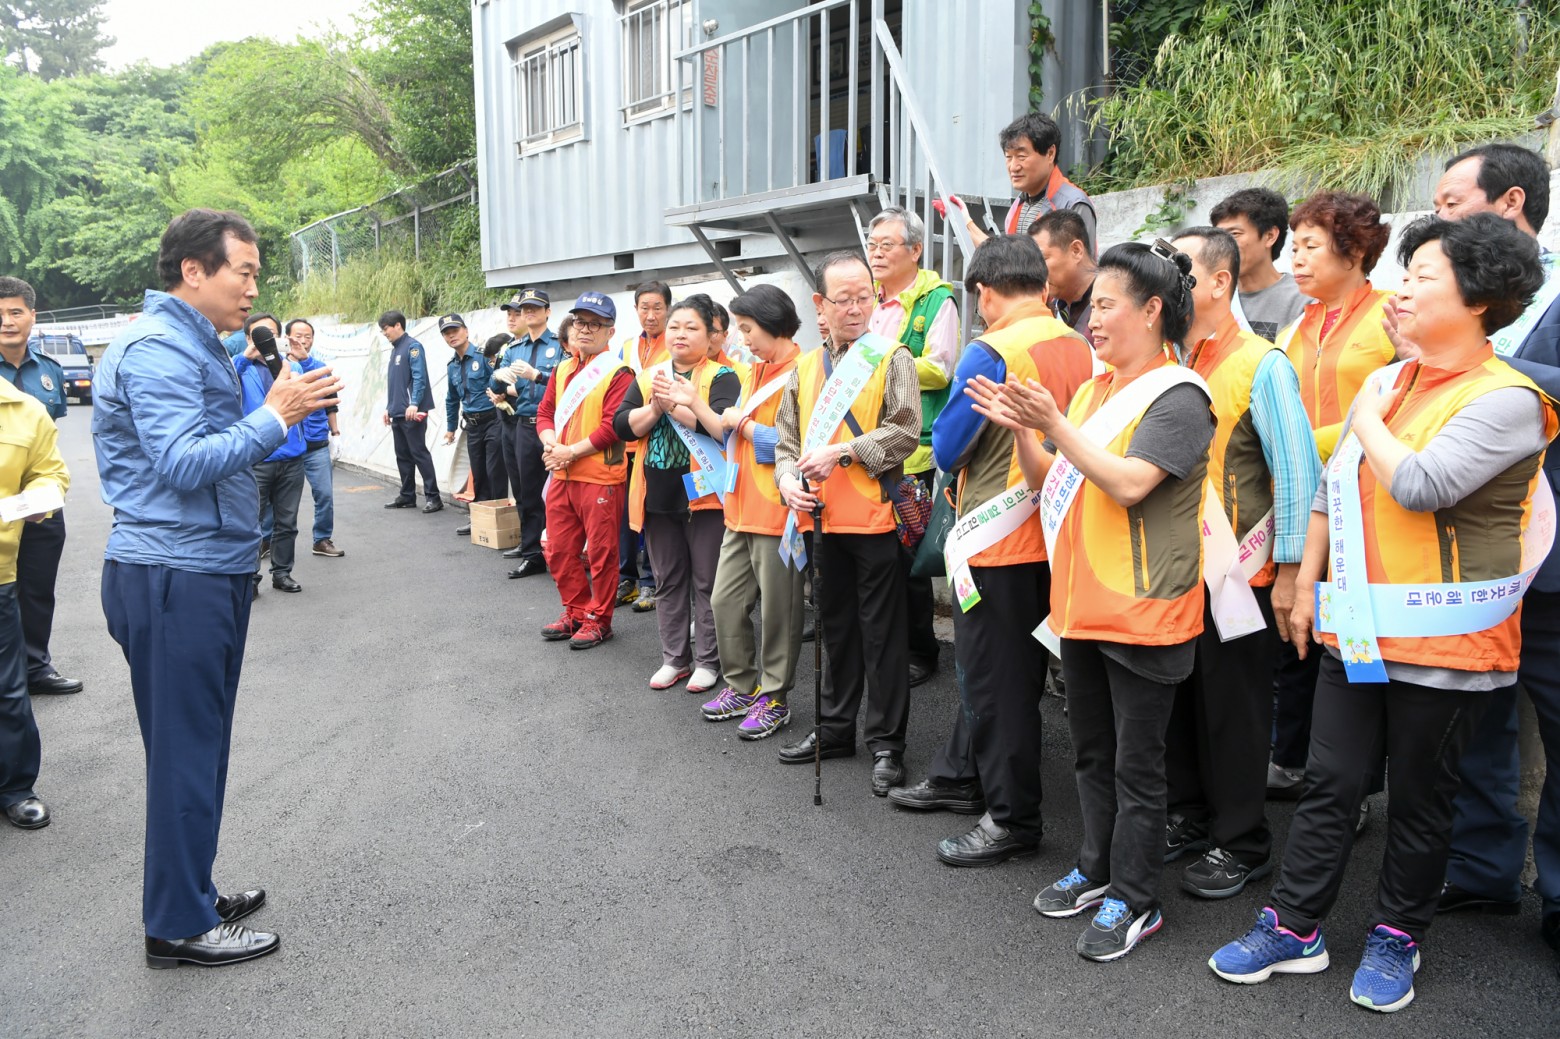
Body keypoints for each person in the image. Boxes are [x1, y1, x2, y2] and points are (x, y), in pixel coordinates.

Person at [1209, 214, 1557, 1013]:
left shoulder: (1509, 399)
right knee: (1331, 782)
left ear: (1480, 299)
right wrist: (1306, 583)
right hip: (1359, 628)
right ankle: (1294, 924)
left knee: (1421, 797)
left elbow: (1422, 484)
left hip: (1448, 642)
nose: (1403, 290)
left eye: (1424, 276)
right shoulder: (1393, 383)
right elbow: (1333, 488)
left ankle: (1398, 933)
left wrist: (1366, 410)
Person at [93, 208, 340, 967]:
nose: (254, 288)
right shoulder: (158, 347)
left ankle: (193, 894)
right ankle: (176, 924)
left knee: (199, 747)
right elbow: (182, 463)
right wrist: (275, 416)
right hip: (175, 572)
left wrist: (276, 411)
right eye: (245, 271)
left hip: (204, 567)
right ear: (193, 271)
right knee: (185, 754)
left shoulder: (196, 340)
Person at [969, 240, 1214, 961]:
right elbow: (1048, 479)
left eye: (1105, 305)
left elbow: (1131, 483)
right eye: (1092, 307)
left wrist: (1054, 424)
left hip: (1144, 611)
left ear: (1152, 309)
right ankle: (1097, 866)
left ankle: (1136, 899)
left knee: (1138, 765)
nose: (1092, 319)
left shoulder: (1180, 395)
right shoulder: (1093, 391)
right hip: (1081, 603)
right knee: (1091, 753)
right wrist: (1025, 429)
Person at [894, 235, 1092, 865]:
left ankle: (1011, 819)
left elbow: (948, 448)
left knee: (995, 680)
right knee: (1013, 673)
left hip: (999, 539)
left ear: (982, 292)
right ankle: (960, 772)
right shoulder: (1080, 343)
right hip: (1059, 534)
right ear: (1043, 283)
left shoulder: (992, 351)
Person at [1414, 144, 1560, 959]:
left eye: (1451, 201)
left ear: (1510, 203)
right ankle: (1479, 868)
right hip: (1467, 557)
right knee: (1475, 719)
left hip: (1552, 556)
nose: (1437, 217)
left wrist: (1478, 358)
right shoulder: (1439, 297)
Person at [1161, 227, 1320, 898]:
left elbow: (1297, 472)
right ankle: (1190, 814)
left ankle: (1242, 841)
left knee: (1235, 711)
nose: (1169, 284)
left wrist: (1291, 572)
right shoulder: (1171, 360)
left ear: (1220, 281)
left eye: (1183, 271)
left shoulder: (1262, 363)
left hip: (1240, 575)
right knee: (1178, 702)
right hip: (1175, 570)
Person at [774, 251, 921, 796]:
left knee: (883, 636)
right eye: (845, 299)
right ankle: (835, 728)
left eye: (866, 297)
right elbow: (786, 443)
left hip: (875, 519)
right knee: (834, 630)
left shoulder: (892, 357)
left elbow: (905, 431)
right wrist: (786, 480)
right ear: (821, 305)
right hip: (820, 521)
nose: (857, 308)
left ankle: (887, 743)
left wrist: (844, 451)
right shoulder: (804, 368)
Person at [1269, 192, 1394, 798]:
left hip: (1369, 500)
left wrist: (1301, 443)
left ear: (1355, 251)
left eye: (1310, 246)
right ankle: (1296, 761)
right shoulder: (1299, 323)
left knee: (1357, 640)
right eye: (1293, 247)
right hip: (1304, 499)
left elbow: (1395, 403)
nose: (1295, 259)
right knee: (1300, 627)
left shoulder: (1390, 315)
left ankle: (1358, 786)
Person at [614, 297, 741, 693]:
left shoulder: (723, 376)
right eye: (675, 327)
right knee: (667, 580)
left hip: (705, 497)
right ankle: (674, 658)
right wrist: (656, 408)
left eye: (691, 327)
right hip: (656, 495)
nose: (680, 334)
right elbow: (623, 425)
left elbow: (722, 429)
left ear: (711, 336)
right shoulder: (648, 377)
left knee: (707, 582)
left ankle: (708, 661)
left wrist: (680, 405)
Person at [700, 285, 806, 738]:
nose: (743, 340)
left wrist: (740, 424)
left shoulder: (805, 370)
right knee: (724, 601)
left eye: (747, 329)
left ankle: (775, 697)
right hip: (739, 506)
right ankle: (742, 685)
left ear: (772, 323)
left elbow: (795, 445)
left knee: (780, 611)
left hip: (776, 510)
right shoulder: (754, 371)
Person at [867, 206, 957, 687]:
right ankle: (883, 642)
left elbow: (941, 368)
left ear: (916, 250)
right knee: (874, 553)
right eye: (872, 244)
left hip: (912, 449)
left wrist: (883, 364)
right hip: (865, 443)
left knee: (909, 559)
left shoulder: (937, 300)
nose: (876, 253)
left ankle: (922, 651)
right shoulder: (868, 299)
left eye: (887, 245)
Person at [537, 292, 635, 650]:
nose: (584, 329)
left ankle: (599, 619)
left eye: (595, 324)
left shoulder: (619, 373)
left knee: (601, 553)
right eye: (580, 322)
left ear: (610, 332)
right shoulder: (562, 369)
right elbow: (545, 413)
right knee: (558, 548)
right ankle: (576, 610)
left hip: (599, 476)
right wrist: (551, 445)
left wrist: (569, 453)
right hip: (561, 473)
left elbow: (612, 427)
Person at [0, 276, 83, 696]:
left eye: (15, 312)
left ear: (33, 316)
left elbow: (48, 437)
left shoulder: (49, 370)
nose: (7, 321)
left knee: (36, 588)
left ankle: (35, 666)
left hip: (39, 498)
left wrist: (44, 491)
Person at [0, 352, 69, 830]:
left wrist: (33, 499)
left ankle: (15, 786)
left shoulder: (25, 411)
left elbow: (51, 474)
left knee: (8, 688)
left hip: (2, 572)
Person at [236, 313, 307, 594]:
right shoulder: (240, 369)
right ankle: (249, 578)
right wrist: (245, 356)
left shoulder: (290, 368)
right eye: (259, 335)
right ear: (248, 339)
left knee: (287, 522)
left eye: (271, 334)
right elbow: (222, 380)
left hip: (292, 457)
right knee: (250, 523)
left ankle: (282, 573)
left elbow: (311, 382)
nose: (266, 340)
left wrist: (298, 359)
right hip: (256, 459)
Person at [492, 289, 561, 579]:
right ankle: (532, 554)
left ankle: (561, 552)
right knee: (527, 491)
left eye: (535, 307)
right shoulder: (513, 348)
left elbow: (567, 381)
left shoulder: (559, 344)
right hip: (523, 424)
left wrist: (536, 375)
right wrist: (498, 379)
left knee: (558, 494)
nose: (528, 312)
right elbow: (494, 385)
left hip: (553, 426)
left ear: (547, 311)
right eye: (524, 309)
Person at [961, 112, 1096, 252]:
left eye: (1021, 156)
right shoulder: (1019, 205)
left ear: (1050, 154)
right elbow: (1008, 259)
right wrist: (965, 220)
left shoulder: (1073, 205)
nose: (1013, 167)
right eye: (1008, 157)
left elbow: (1083, 264)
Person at [618, 282, 672, 610]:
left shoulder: (675, 345)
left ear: (668, 309)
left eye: (657, 308)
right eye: (644, 308)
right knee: (626, 513)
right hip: (627, 443)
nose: (650, 315)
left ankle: (651, 582)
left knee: (652, 513)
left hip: (658, 443)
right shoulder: (627, 347)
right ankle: (627, 578)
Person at [1211, 188, 1309, 342]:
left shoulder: (1304, 300)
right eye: (1218, 237)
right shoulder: (1213, 297)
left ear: (1270, 236)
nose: (1222, 245)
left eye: (1234, 234)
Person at [438, 314, 503, 535]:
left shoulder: (484, 356)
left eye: (455, 331)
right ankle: (479, 519)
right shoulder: (452, 366)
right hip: (472, 426)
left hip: (493, 421)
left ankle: (499, 518)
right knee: (479, 472)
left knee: (494, 470)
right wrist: (450, 428)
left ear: (466, 331)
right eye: (447, 333)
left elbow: (500, 381)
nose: (451, 336)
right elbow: (451, 399)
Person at [284, 319, 343, 558]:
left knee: (324, 494)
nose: (303, 341)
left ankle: (322, 539)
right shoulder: (278, 367)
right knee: (280, 500)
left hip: (316, 444)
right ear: (287, 338)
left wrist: (335, 434)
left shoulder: (320, 368)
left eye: (308, 336)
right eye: (298, 336)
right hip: (287, 446)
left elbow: (331, 405)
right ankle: (267, 540)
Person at [380, 310, 441, 513]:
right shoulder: (395, 350)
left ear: (398, 325)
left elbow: (419, 377)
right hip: (398, 412)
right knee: (403, 455)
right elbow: (396, 385)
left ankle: (433, 497)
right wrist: (389, 408)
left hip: (412, 412)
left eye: (386, 329)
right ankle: (407, 496)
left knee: (419, 453)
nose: (384, 333)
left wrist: (414, 403)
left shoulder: (412, 347)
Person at [1029, 210, 1098, 347]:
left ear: (1076, 250)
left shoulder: (1114, 303)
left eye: (1042, 259)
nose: (1035, 271)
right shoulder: (1053, 306)